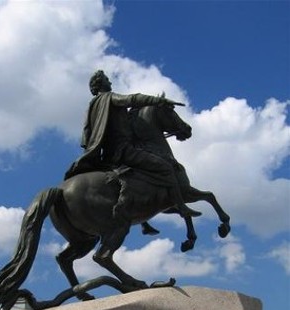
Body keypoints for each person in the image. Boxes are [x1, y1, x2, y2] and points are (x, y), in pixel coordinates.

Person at [65, 70, 200, 221]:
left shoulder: (91, 107)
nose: (109, 82)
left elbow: (86, 132)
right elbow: (132, 99)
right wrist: (158, 101)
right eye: (107, 80)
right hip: (124, 150)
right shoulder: (109, 97)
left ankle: (144, 221)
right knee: (166, 168)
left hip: (106, 155)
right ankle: (181, 207)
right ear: (100, 84)